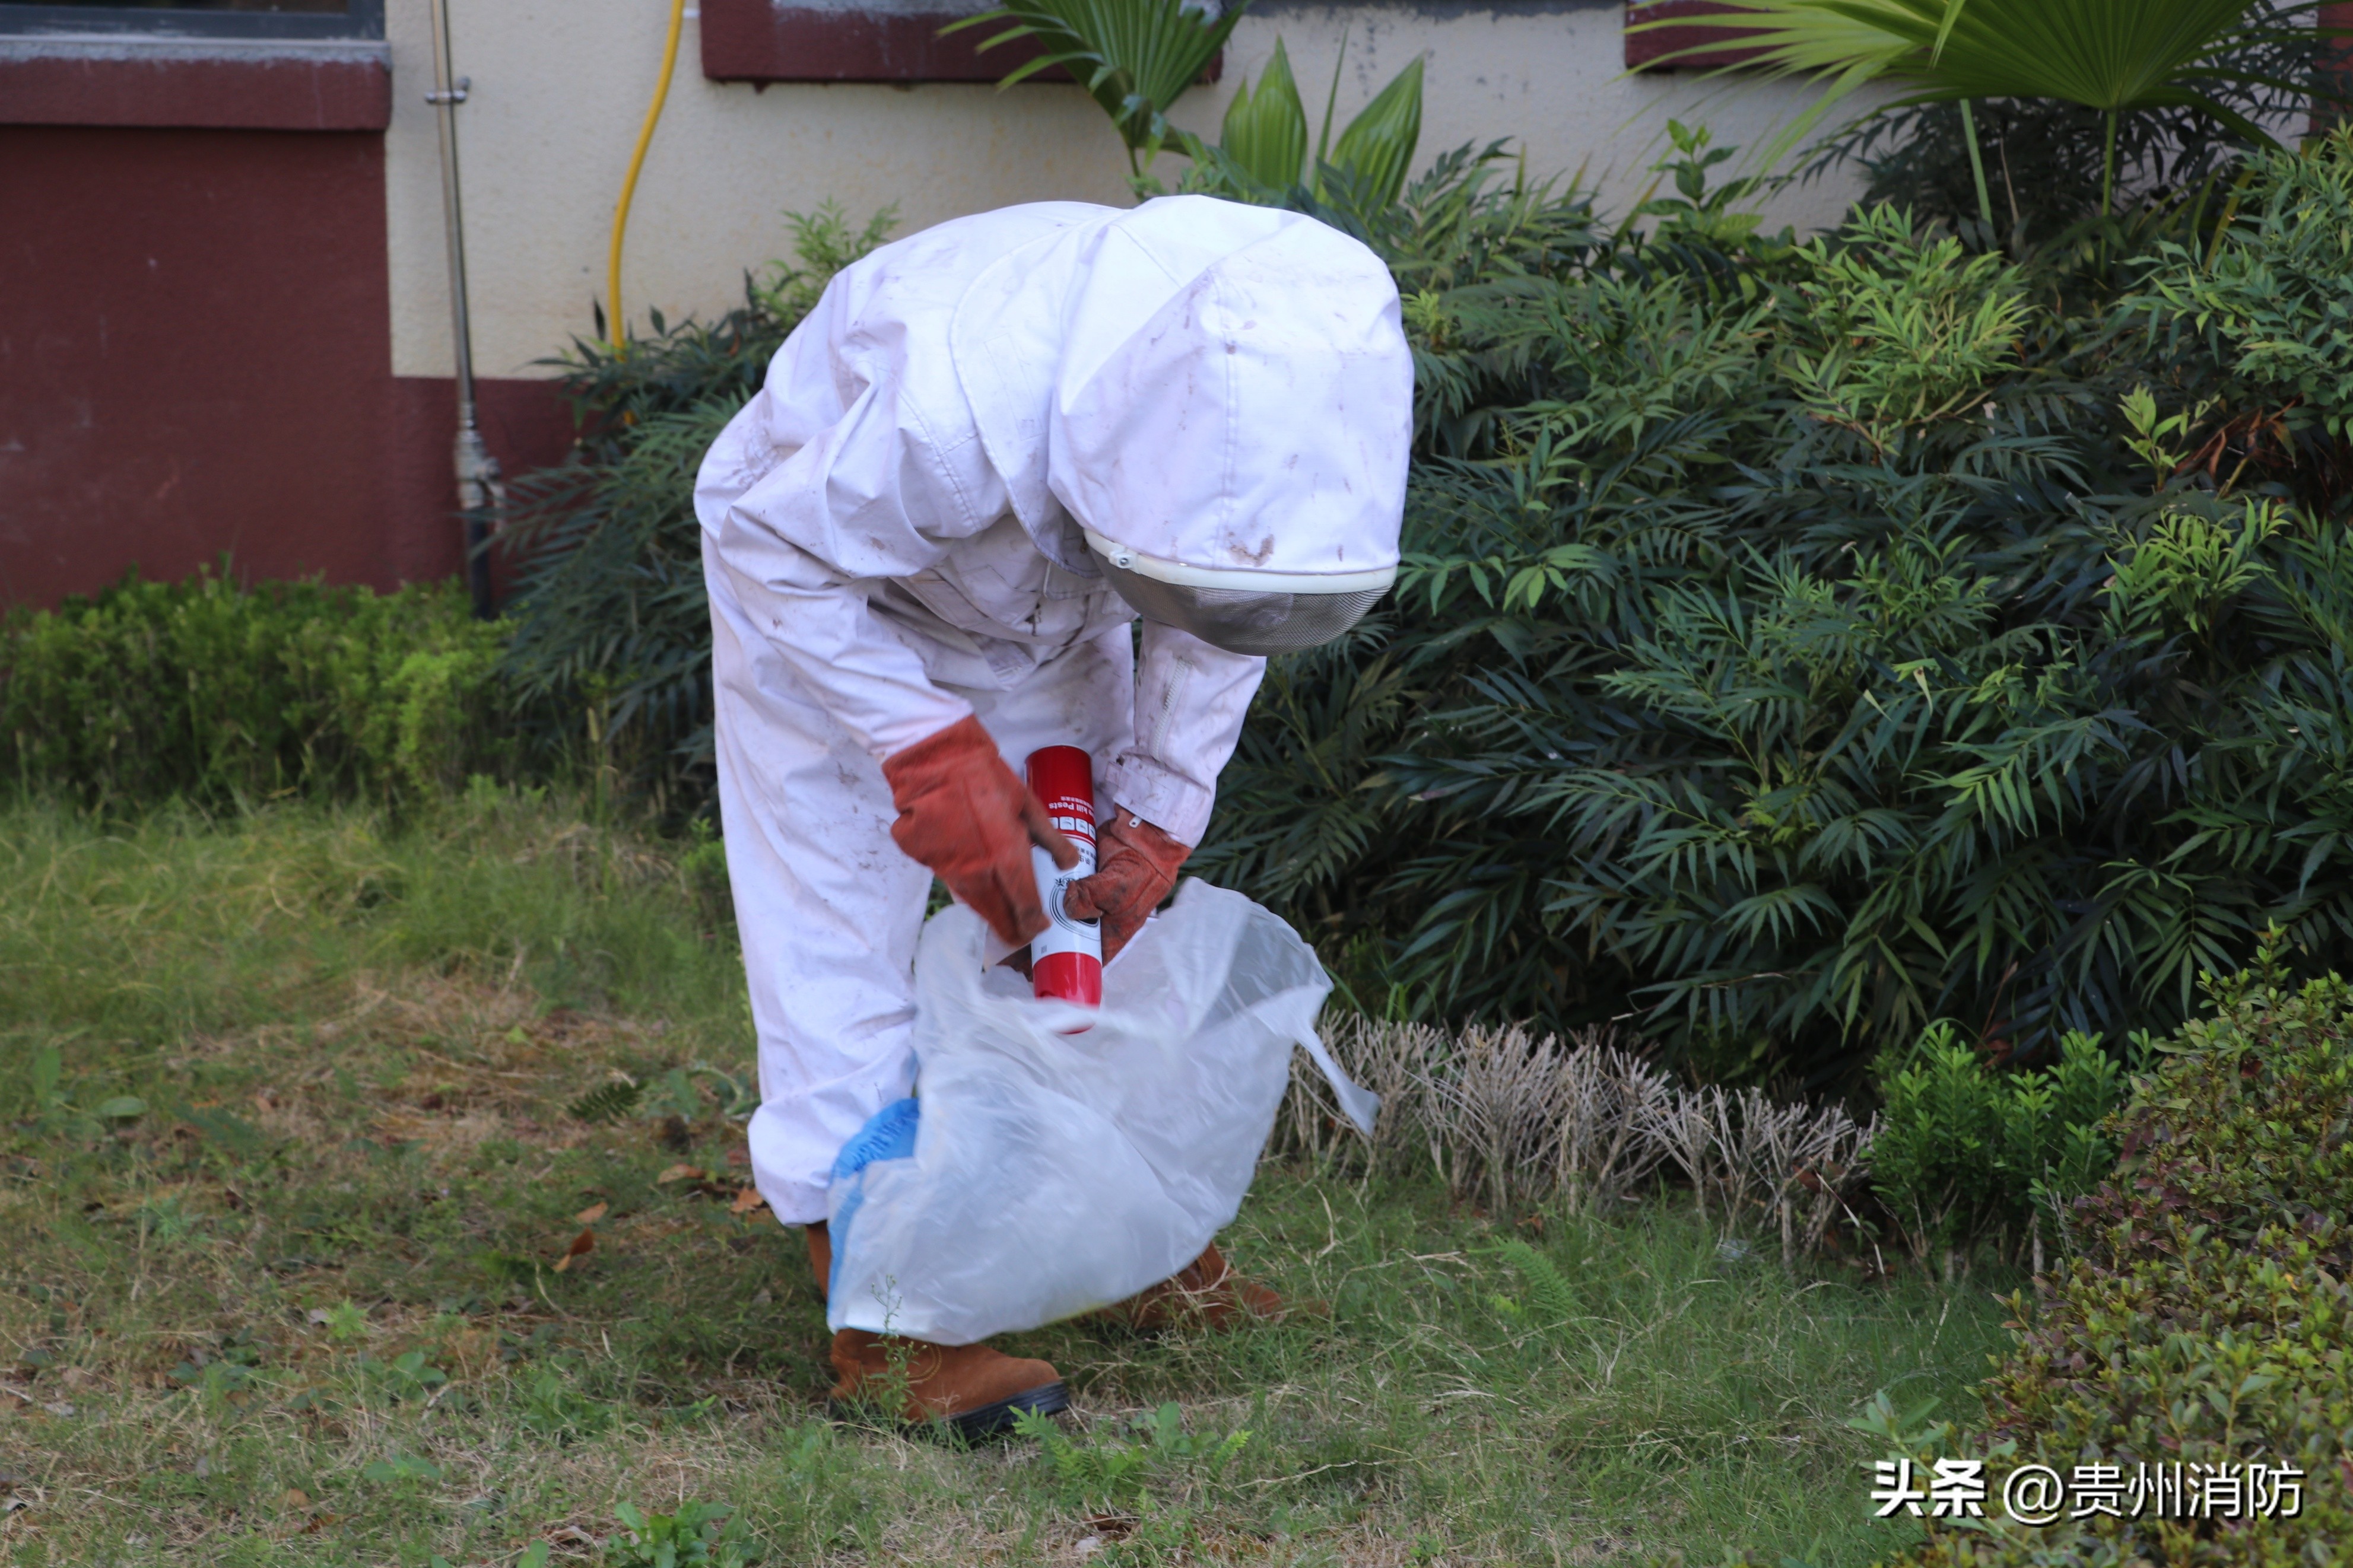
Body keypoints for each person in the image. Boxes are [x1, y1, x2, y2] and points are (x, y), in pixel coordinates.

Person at [694, 194, 1412, 1437]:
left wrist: (1161, 805)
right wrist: (922, 746)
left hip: (1056, 615)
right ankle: (885, 1326)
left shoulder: (1282, 408)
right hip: (827, 601)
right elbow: (767, 543)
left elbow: (1227, 605)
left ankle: (1127, 1240)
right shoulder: (943, 406)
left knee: (1082, 931)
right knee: (836, 943)